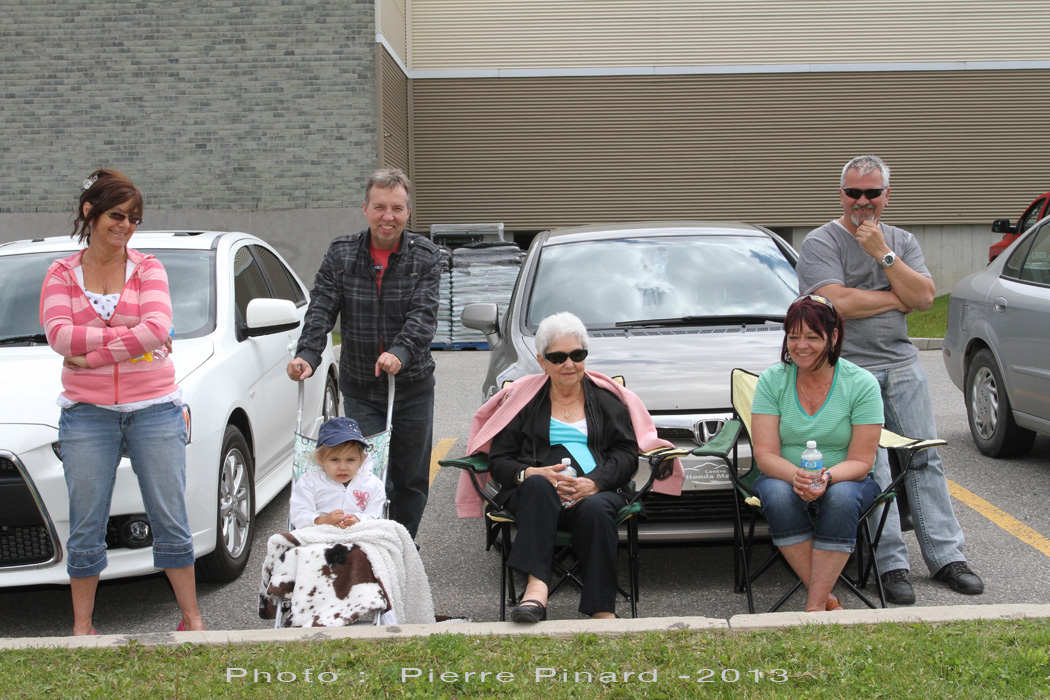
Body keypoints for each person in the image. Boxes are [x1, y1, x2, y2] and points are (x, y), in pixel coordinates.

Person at [795, 154, 983, 604]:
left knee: (924, 459)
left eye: (872, 192)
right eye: (853, 192)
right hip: (849, 371)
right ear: (841, 194)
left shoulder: (900, 241)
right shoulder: (821, 242)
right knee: (874, 467)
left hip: (902, 365)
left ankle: (947, 557)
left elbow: (924, 297)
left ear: (886, 195)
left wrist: (883, 253)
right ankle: (890, 564)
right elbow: (836, 304)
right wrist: (896, 296)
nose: (862, 201)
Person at [40, 169, 204, 635]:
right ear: (89, 212)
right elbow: (58, 335)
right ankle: (83, 628)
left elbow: (158, 328)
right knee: (85, 522)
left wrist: (89, 356)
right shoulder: (60, 274)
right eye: (117, 215)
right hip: (87, 414)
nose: (126, 226)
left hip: (155, 407)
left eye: (134, 218)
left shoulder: (149, 268)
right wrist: (130, 339)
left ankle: (192, 620)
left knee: (170, 516)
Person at [287, 168, 441, 539]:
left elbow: (424, 315)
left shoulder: (425, 255)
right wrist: (308, 354)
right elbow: (322, 308)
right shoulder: (341, 253)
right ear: (365, 208)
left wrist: (400, 352)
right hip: (362, 389)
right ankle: (367, 544)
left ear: (408, 212)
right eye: (380, 207)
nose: (388, 217)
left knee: (410, 478)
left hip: (412, 387)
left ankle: (400, 543)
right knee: (367, 477)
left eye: (397, 208)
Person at [481, 312, 639, 622]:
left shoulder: (607, 401)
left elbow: (627, 454)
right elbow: (498, 460)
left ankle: (602, 610)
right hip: (536, 498)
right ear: (542, 362)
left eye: (577, 355)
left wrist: (595, 482)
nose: (569, 364)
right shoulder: (522, 403)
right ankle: (536, 591)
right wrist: (529, 473)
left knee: (596, 509)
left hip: (593, 493)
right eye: (558, 357)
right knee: (539, 486)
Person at [750, 295, 884, 612]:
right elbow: (765, 454)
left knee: (842, 498)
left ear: (833, 337)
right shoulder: (773, 380)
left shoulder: (861, 384)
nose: (801, 346)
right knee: (778, 495)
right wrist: (797, 477)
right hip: (784, 475)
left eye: (812, 337)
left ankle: (813, 607)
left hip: (846, 477)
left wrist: (826, 478)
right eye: (793, 336)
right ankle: (826, 600)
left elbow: (862, 462)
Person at [289, 417, 386, 530]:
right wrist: (322, 521)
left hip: (359, 534)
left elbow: (375, 514)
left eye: (350, 460)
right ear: (321, 459)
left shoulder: (372, 484)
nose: (343, 467)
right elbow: (299, 513)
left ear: (361, 460)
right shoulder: (309, 482)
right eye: (335, 460)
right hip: (319, 534)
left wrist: (359, 521)